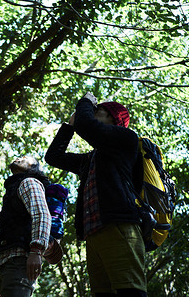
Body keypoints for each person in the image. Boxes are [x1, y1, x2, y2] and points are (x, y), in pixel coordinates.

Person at [45, 92, 147, 296]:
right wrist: (69, 127)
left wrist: (85, 102)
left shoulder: (126, 139)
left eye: (97, 111)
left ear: (113, 118)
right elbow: (53, 157)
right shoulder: (91, 158)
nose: (92, 115)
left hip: (119, 226)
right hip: (93, 234)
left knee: (130, 291)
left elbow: (87, 126)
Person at [0, 155, 62, 297]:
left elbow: (41, 214)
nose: (19, 158)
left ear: (34, 168)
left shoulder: (29, 182)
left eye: (26, 158)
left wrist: (36, 251)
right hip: (10, 264)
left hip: (19, 262)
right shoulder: (15, 187)